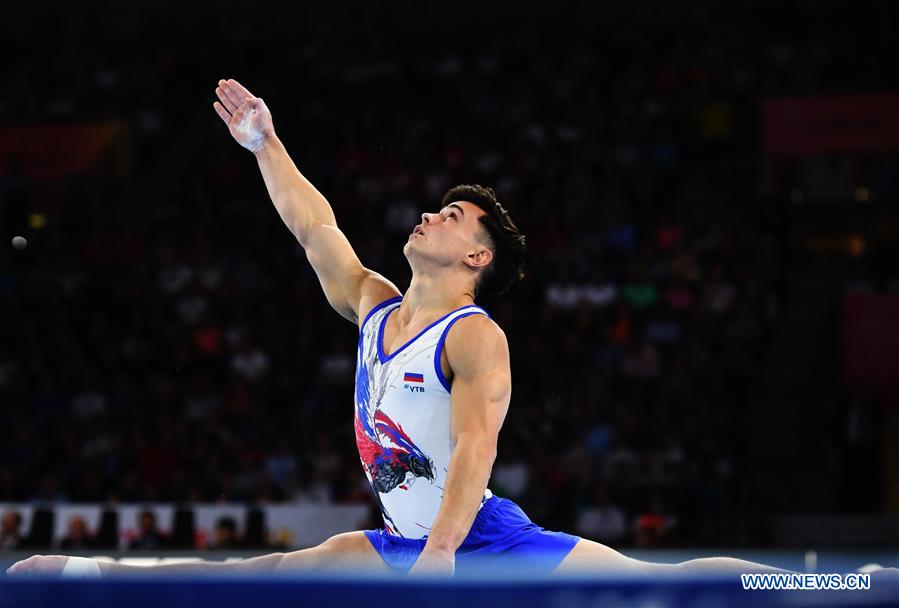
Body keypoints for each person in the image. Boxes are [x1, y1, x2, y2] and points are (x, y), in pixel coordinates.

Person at [8, 79, 795, 578]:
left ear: (477, 255)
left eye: (450, 215)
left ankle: (821, 580)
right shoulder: (375, 305)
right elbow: (315, 229)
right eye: (435, 206)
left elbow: (476, 449)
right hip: (401, 542)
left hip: (480, 539)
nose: (428, 213)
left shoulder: (473, 336)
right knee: (263, 575)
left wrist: (445, 553)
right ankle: (87, 572)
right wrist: (266, 144)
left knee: (659, 583)